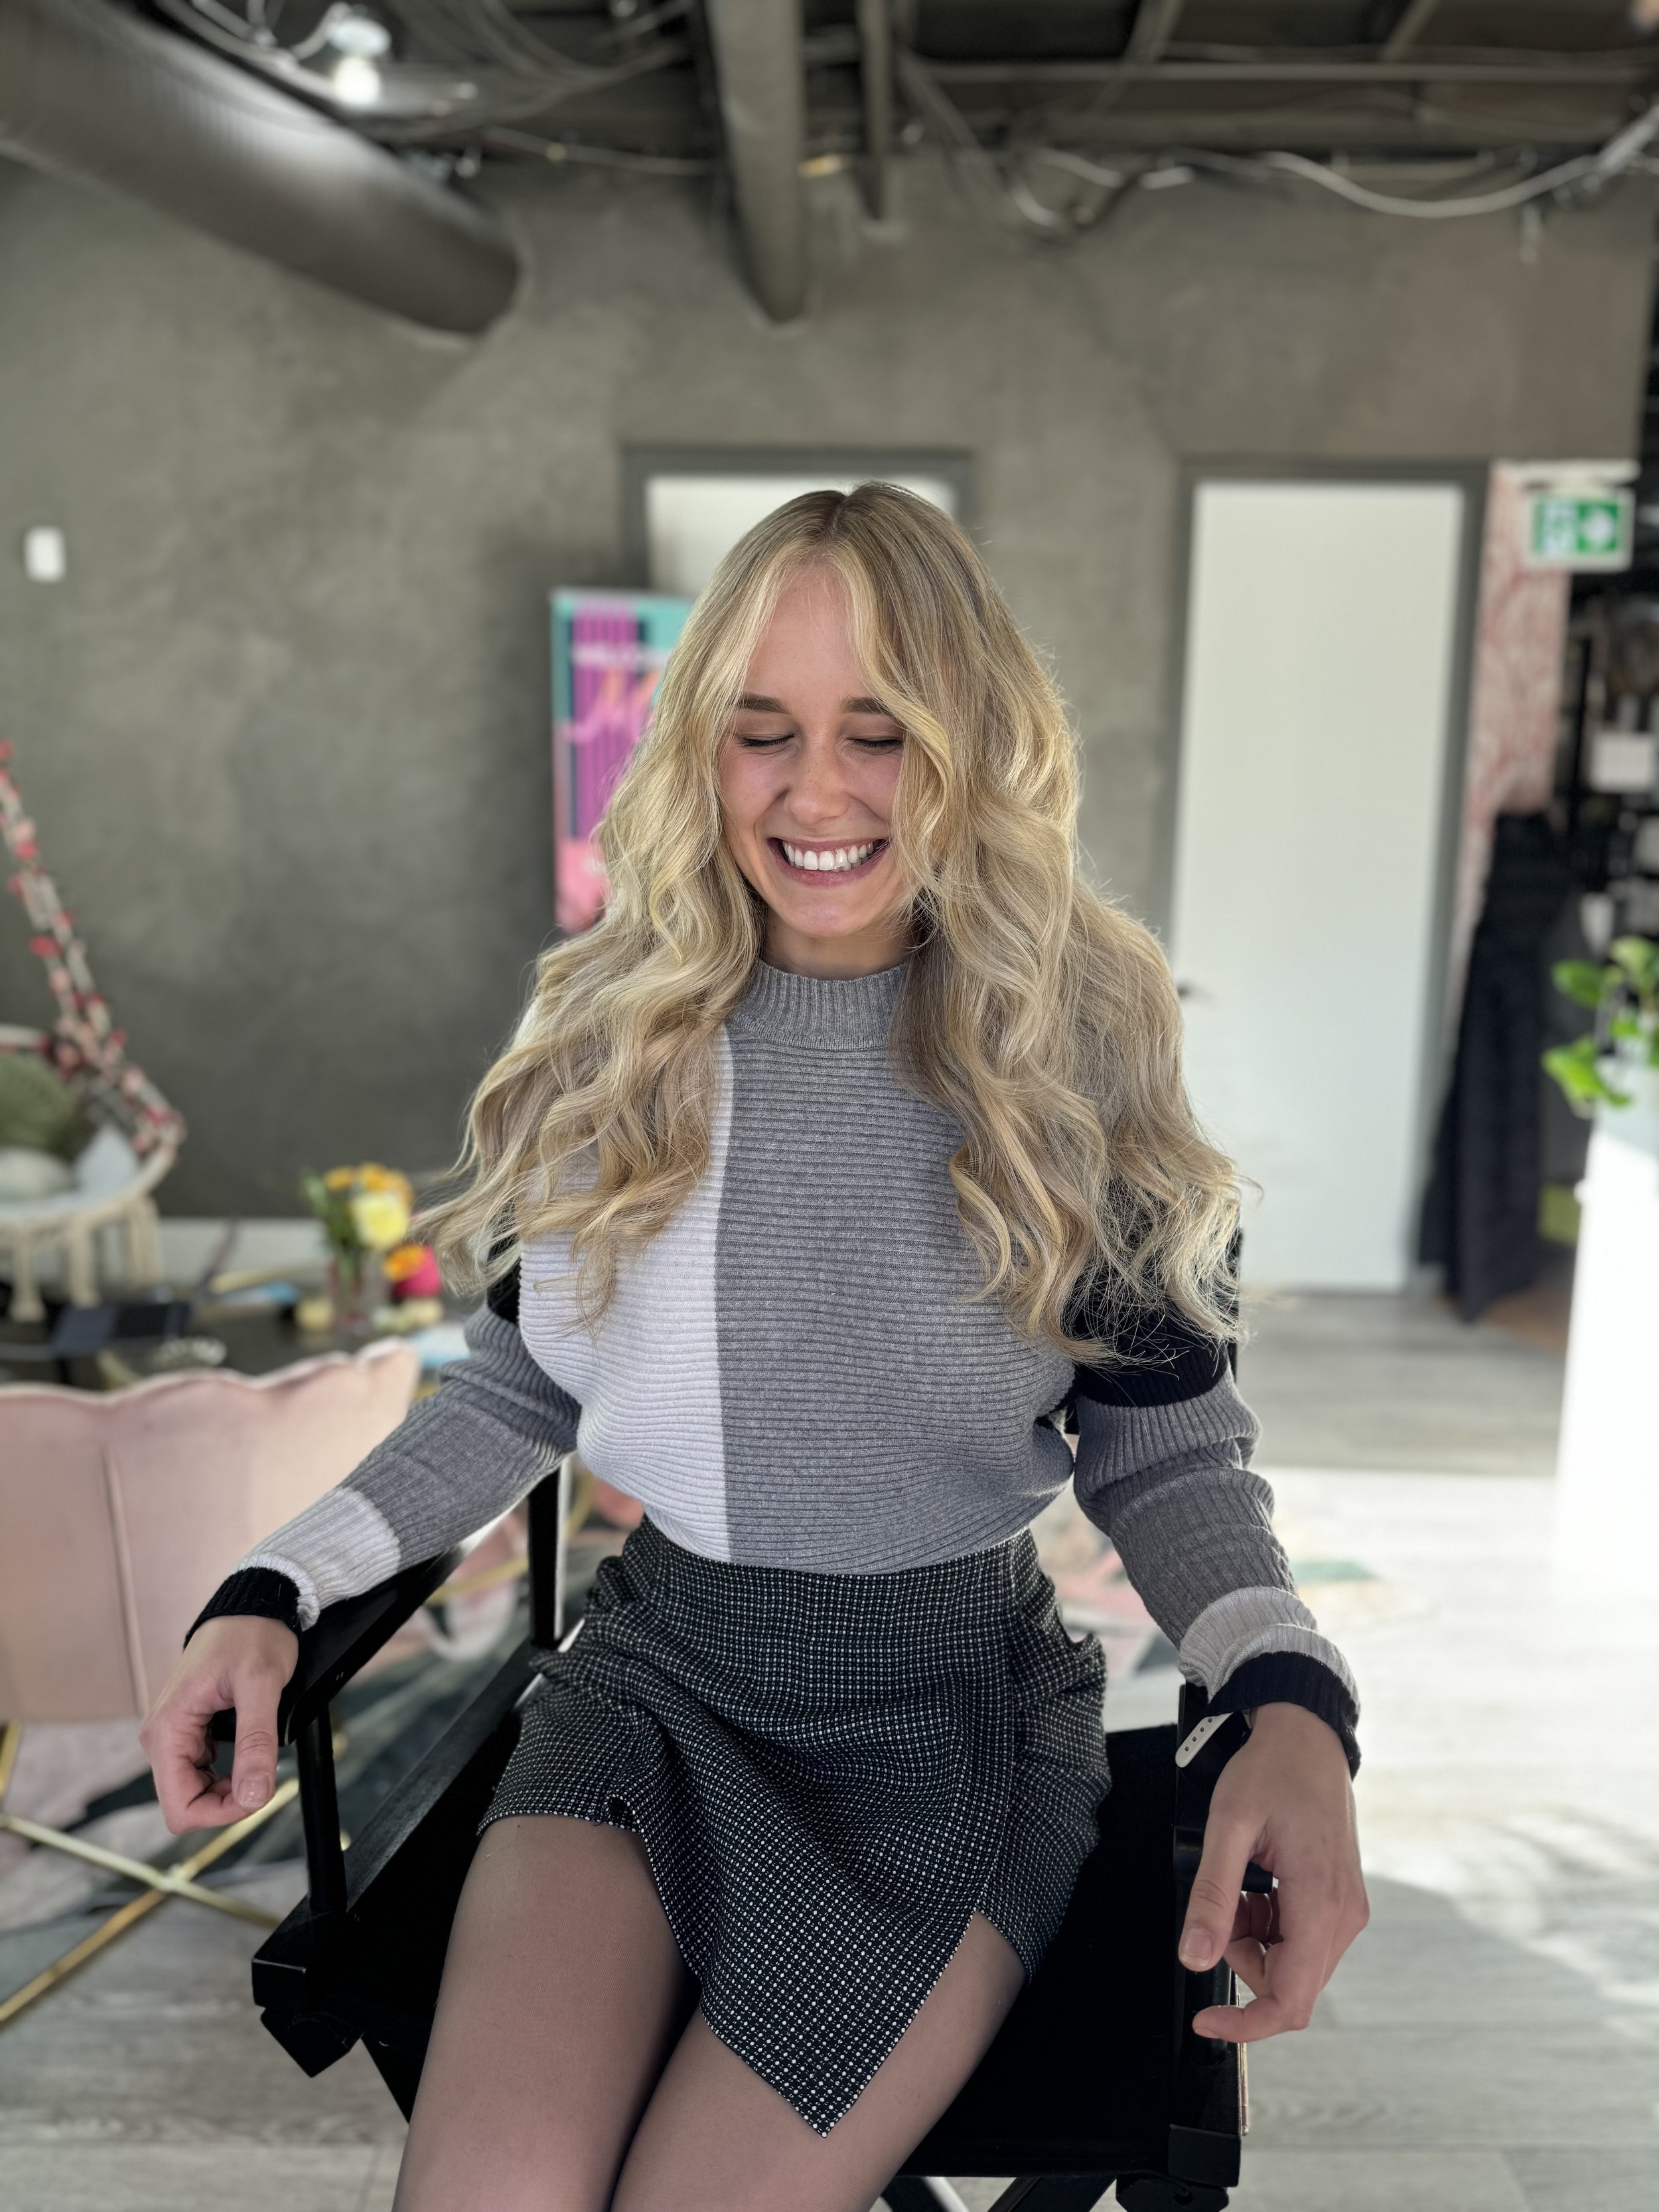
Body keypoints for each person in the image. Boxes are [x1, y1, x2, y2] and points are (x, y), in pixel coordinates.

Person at [141, 485, 1366, 2212]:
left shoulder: (1077, 1047)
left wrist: (1294, 1700)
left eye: (882, 733)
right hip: (654, 1688)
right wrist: (275, 1587)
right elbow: (515, 1382)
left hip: (942, 1731)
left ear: (975, 747)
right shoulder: (610, 1030)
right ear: (696, 751)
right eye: (761, 732)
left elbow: (1163, 1452)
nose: (814, 792)